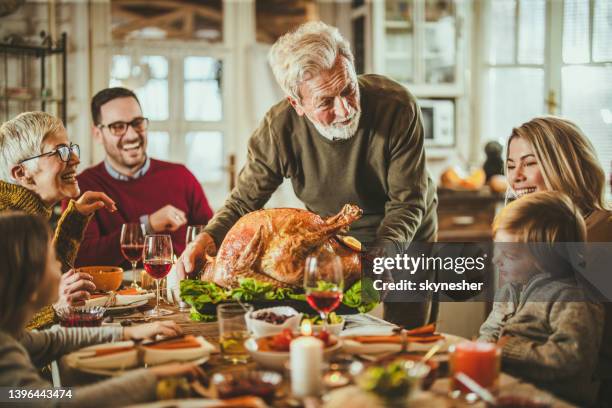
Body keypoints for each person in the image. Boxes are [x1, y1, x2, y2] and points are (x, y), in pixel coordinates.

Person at [178, 21, 438, 327]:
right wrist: (206, 240)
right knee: (330, 329)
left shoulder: (396, 106)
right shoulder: (279, 130)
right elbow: (243, 202)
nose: (345, 110)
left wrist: (383, 255)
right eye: (326, 102)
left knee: (407, 336)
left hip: (405, 232)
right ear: (297, 103)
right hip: (332, 238)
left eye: (348, 90)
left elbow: (408, 202)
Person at [0, 212, 204, 406]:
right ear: (30, 285)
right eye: (52, 259)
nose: (60, 264)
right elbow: (56, 402)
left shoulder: (11, 337)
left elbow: (55, 339)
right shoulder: (4, 353)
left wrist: (127, 332)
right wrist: (153, 378)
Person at [505, 116, 612, 404]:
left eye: (529, 163)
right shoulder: (527, 241)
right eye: (511, 165)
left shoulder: (603, 235)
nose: (516, 178)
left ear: (565, 163)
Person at [479, 192, 603, 405]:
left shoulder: (572, 298)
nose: (495, 260)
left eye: (510, 255)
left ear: (547, 259)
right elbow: (489, 333)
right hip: (506, 391)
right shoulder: (509, 289)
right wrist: (482, 350)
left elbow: (572, 360)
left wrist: (507, 350)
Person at [72, 87, 213, 268]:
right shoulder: (83, 187)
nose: (131, 135)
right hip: (111, 294)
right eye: (118, 127)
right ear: (98, 134)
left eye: (137, 123)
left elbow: (212, 238)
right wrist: (148, 225)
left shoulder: (181, 176)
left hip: (177, 292)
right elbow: (83, 257)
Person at [0, 111, 116, 329]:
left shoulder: (26, 216)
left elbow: (43, 285)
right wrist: (54, 307)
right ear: (22, 172)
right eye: (59, 152)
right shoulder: (6, 226)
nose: (75, 159)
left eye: (70, 148)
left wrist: (75, 220)